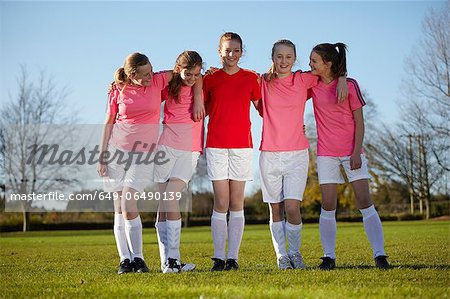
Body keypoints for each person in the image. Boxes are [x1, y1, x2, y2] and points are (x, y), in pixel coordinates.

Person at [259, 40, 347, 270]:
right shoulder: (262, 81)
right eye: (279, 56)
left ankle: (295, 253)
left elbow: (329, 70)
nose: (284, 61)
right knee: (275, 208)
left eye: (289, 57)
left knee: (292, 207)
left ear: (295, 59)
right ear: (273, 58)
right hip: (269, 153)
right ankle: (281, 256)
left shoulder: (303, 79)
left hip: (297, 153)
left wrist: (344, 78)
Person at [308, 43, 390, 270]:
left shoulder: (350, 85)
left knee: (365, 201)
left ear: (328, 63)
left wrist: (356, 151)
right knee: (328, 204)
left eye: (314, 61)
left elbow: (360, 122)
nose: (310, 64)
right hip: (326, 154)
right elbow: (292, 88)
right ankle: (329, 257)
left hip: (351, 151)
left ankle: (380, 255)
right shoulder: (312, 83)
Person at [97, 52, 170, 274]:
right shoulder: (118, 90)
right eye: (144, 74)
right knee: (119, 208)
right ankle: (125, 260)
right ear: (131, 74)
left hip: (143, 155)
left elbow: (185, 72)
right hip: (116, 152)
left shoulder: (158, 81)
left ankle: (138, 259)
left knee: (128, 203)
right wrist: (102, 155)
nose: (150, 76)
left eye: (151, 71)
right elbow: (108, 123)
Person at [201, 32, 261, 271]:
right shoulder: (209, 79)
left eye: (236, 51)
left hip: (242, 146)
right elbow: (200, 109)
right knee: (221, 202)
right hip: (216, 145)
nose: (232, 55)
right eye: (227, 50)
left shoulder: (251, 78)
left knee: (237, 202)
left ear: (242, 52)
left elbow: (264, 109)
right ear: (219, 51)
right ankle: (218, 257)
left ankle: (233, 258)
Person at [154, 50, 204, 273]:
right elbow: (143, 83)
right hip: (165, 147)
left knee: (170, 197)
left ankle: (173, 260)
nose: (192, 78)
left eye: (196, 74)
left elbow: (205, 77)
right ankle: (168, 262)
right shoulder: (168, 83)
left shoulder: (199, 82)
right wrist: (117, 83)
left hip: (189, 149)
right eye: (188, 74)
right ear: (178, 69)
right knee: (163, 206)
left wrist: (199, 94)